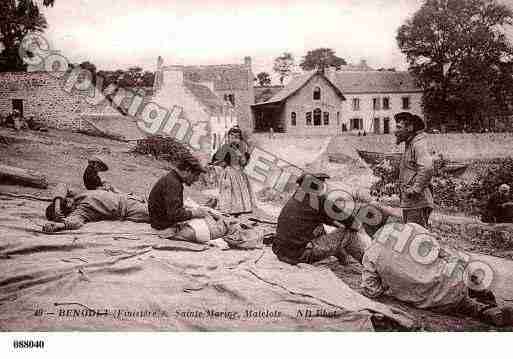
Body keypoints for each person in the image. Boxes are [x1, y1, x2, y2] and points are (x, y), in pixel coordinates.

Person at [360, 222, 513, 327]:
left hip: (433, 300)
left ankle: (483, 311)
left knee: (460, 304)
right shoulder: (411, 228)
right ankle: (482, 293)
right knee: (459, 269)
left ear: (368, 231)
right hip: (455, 278)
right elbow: (442, 249)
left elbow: (371, 290)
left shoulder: (370, 254)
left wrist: (391, 281)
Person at [272, 172, 371, 265]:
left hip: (281, 251)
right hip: (299, 255)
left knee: (320, 228)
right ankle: (369, 264)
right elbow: (352, 222)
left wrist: (338, 224)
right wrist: (353, 226)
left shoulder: (299, 196)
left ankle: (343, 257)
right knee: (348, 234)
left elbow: (323, 218)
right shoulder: (319, 200)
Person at [42, 183, 149, 233]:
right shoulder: (81, 210)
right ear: (67, 209)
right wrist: (59, 225)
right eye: (66, 203)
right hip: (129, 209)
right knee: (160, 214)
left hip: (129, 197)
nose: (69, 200)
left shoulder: (77, 196)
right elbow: (75, 222)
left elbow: (62, 185)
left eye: (65, 199)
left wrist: (57, 203)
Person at [394, 112, 434, 228]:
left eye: (399, 127)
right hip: (411, 202)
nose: (395, 131)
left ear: (409, 128)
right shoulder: (411, 144)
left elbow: (427, 168)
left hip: (417, 202)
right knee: (413, 236)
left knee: (416, 237)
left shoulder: (418, 144)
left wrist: (415, 189)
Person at [211, 126, 254, 215]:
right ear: (228, 137)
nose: (234, 138)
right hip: (229, 172)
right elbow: (215, 160)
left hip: (239, 173)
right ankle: (229, 209)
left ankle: (240, 208)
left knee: (240, 191)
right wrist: (222, 163)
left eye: (236, 136)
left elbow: (244, 162)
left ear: (239, 138)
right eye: (232, 136)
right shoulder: (225, 147)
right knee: (228, 191)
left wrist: (240, 154)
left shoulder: (242, 148)